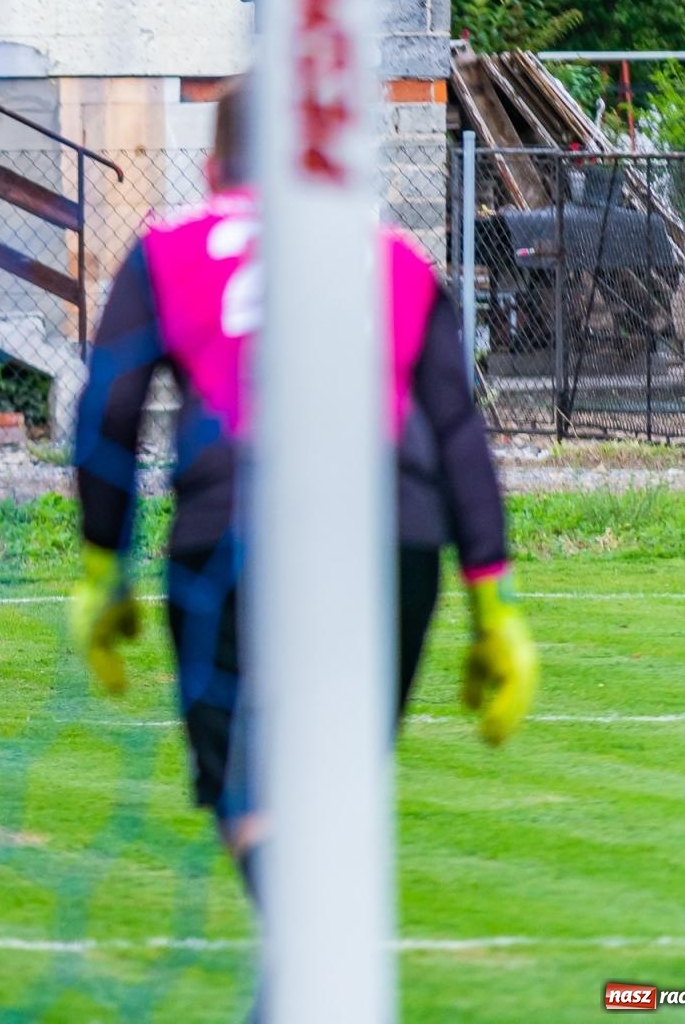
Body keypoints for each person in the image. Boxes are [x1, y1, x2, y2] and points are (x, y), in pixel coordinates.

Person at [68, 75, 540, 897]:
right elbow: (459, 431)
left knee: (254, 799)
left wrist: (104, 569)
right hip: (388, 530)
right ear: (322, 164)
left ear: (214, 171)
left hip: (237, 528)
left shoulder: (169, 250)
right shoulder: (391, 257)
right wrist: (492, 607)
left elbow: (109, 413)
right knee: (336, 789)